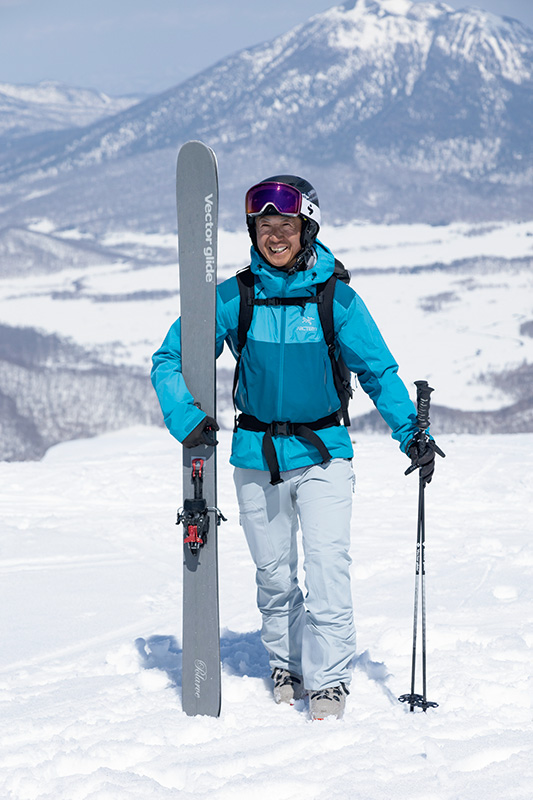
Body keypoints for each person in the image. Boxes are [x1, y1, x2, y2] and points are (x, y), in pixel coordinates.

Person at [151, 175, 442, 720]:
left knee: (328, 569)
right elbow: (169, 357)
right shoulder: (235, 298)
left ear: (306, 227)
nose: (275, 236)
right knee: (274, 574)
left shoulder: (336, 299)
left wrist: (412, 434)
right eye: (265, 226)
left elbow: (379, 372)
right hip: (255, 454)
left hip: (325, 453)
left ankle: (329, 680)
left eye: (285, 225)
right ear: (252, 231)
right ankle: (287, 663)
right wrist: (187, 418)